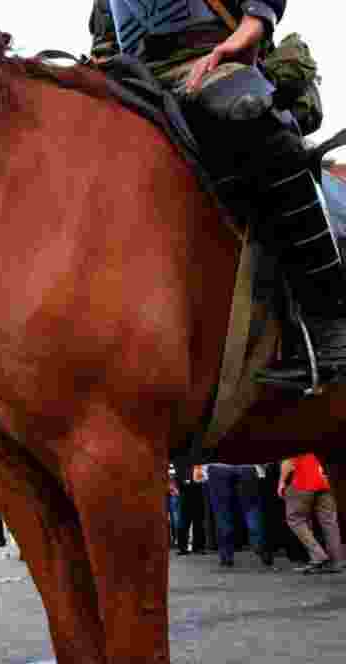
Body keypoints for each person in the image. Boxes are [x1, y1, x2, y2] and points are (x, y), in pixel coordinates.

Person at [89, 0, 346, 387]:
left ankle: (332, 323)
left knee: (248, 115)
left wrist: (247, 34)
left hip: (209, 60)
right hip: (138, 80)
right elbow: (106, 42)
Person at [278, 453, 343, 574]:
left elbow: (288, 462)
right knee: (330, 523)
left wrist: (281, 482)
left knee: (295, 519)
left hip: (303, 482)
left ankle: (318, 556)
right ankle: (336, 562)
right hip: (324, 482)